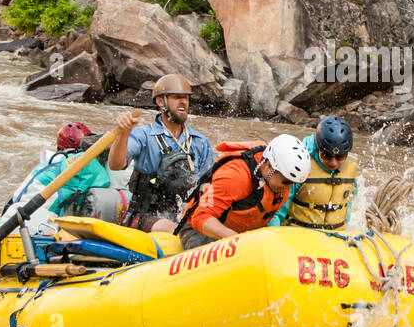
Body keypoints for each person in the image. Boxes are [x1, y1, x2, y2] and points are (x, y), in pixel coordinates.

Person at [109, 74, 214, 232]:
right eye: (177, 97)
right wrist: (123, 134)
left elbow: (209, 187)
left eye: (186, 98)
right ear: (160, 101)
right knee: (177, 230)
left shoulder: (200, 142)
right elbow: (116, 165)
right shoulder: (143, 135)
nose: (183, 102)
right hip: (142, 217)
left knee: (199, 230)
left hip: (181, 217)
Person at [176, 135, 311, 249]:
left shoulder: (275, 176)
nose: (288, 188)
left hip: (244, 235)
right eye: (286, 182)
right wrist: (237, 241)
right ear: (269, 166)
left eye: (293, 184)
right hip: (200, 231)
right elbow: (201, 219)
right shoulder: (235, 177)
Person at [270, 116, 359, 231]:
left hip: (335, 237)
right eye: (326, 156)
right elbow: (279, 209)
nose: (333, 163)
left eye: (340, 157)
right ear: (317, 149)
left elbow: (348, 204)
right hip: (298, 235)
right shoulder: (300, 165)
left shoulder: (350, 167)